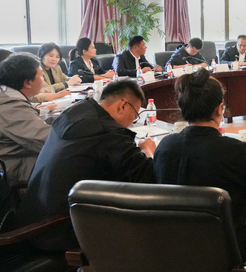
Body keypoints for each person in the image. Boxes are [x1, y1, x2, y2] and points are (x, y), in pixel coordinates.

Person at [153, 69, 246, 260]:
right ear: (219, 109)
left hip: (173, 249)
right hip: (223, 253)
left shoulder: (165, 146)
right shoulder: (232, 149)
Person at [17, 80, 155, 251]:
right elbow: (147, 179)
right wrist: (148, 150)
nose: (132, 122)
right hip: (60, 230)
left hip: (31, 218)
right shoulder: (109, 133)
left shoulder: (75, 111)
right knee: (148, 222)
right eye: (134, 116)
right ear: (123, 105)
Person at [0, 53, 52, 185]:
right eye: (41, 76)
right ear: (27, 82)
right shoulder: (10, 106)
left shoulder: (6, 94)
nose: (43, 81)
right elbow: (47, 141)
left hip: (17, 155)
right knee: (76, 162)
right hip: (14, 167)